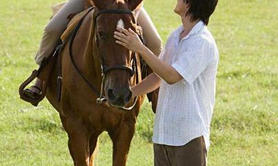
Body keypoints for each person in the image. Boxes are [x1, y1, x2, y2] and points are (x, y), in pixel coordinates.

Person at [114, 0, 218, 165]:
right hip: (164, 136)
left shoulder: (202, 42)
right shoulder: (175, 36)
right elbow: (158, 76)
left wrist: (140, 48)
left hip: (188, 138)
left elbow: (171, 76)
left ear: (191, 3)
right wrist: (130, 93)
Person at [24, 0, 162, 99]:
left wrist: (131, 12)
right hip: (91, 1)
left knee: (155, 42)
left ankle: (155, 91)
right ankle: (41, 79)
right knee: (51, 29)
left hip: (128, 4)